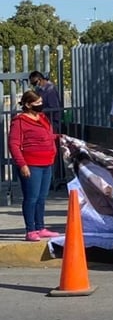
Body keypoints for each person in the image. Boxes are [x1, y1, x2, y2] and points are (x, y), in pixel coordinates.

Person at [7, 90, 62, 241]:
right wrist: (22, 164)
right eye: (36, 103)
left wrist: (59, 137)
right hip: (31, 164)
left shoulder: (42, 118)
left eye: (40, 102)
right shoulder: (19, 121)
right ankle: (30, 230)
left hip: (47, 163)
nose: (40, 105)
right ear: (27, 104)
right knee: (31, 197)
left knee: (42, 198)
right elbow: (13, 144)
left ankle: (40, 227)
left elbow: (47, 136)